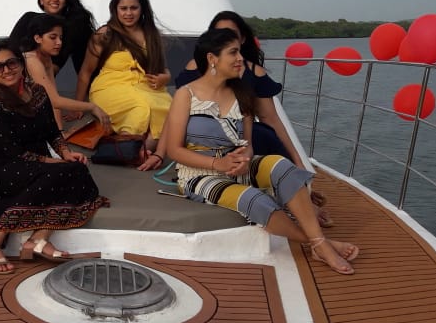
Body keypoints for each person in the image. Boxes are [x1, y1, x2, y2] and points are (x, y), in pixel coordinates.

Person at [139, 28, 359, 275]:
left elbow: (247, 143)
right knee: (255, 199)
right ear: (212, 58)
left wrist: (245, 158)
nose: (240, 58)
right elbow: (174, 150)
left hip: (236, 165)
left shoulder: (242, 93)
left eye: (240, 52)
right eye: (233, 53)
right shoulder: (185, 94)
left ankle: (319, 243)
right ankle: (319, 244)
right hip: (199, 174)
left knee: (282, 166)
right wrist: (217, 165)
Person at [174, 11, 332, 224]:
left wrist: (298, 161)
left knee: (264, 136)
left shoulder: (253, 72)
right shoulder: (195, 68)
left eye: (231, 34)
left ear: (242, 39)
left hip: (242, 136)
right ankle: (295, 201)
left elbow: (271, 118)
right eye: (219, 33)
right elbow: (180, 113)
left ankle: (299, 195)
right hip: (205, 137)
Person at [0, 40, 108, 274]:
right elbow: (14, 153)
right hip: (0, 166)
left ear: (21, 64)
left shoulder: (39, 93)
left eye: (11, 63)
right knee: (61, 173)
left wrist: (66, 153)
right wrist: (56, 162)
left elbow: (52, 132)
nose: (6, 70)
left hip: (33, 163)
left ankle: (38, 239)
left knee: (77, 168)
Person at [74, 0, 172, 141]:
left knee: (166, 111)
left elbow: (162, 68)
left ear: (142, 9)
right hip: (109, 89)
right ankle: (127, 145)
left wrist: (166, 77)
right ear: (115, 10)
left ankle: (138, 149)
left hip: (147, 88)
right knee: (140, 108)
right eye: (123, 8)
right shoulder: (104, 34)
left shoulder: (151, 35)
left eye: (134, 8)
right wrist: (78, 106)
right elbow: (86, 72)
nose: (128, 13)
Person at [19, 14, 112, 132]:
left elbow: (54, 98)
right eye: (53, 37)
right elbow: (55, 101)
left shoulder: (46, 58)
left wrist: (60, 131)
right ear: (38, 38)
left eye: (61, 38)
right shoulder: (32, 61)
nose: (59, 42)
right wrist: (92, 107)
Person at [9, 0, 97, 74]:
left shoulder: (70, 26)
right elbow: (10, 48)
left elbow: (56, 65)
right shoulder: (28, 18)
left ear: (65, 1)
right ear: (41, 0)